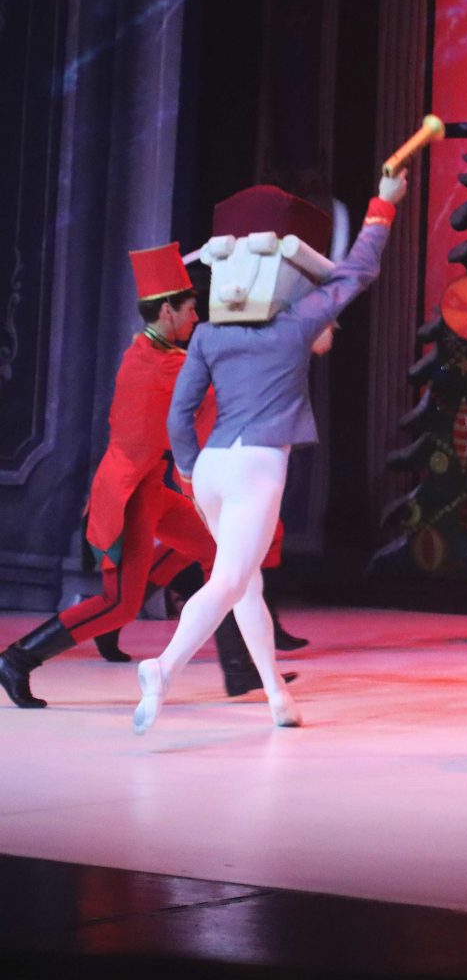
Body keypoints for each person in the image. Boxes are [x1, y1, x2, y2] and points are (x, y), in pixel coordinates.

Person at [132, 171, 407, 734]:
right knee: (230, 582)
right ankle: (163, 668)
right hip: (256, 467)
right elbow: (358, 272)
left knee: (245, 584)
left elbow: (180, 415)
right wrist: (383, 204)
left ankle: (277, 695)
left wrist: (188, 472)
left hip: (212, 466)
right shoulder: (293, 326)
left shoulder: (209, 335)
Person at [0, 245, 220, 709]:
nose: (196, 317)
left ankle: (240, 666)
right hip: (130, 494)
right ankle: (17, 660)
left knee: (213, 548)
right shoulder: (163, 366)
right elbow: (208, 406)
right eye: (190, 308)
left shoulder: (144, 351)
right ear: (167, 311)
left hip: (149, 487)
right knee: (119, 602)